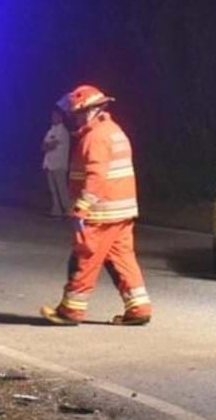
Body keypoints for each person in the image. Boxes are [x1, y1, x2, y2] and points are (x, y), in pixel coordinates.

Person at [40, 84, 152, 326]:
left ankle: (70, 311)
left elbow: (96, 176)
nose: (75, 119)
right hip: (121, 210)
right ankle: (139, 307)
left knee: (84, 260)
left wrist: (81, 208)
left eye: (77, 114)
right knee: (122, 259)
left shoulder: (95, 137)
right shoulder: (113, 130)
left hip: (101, 212)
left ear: (91, 111)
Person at [42, 108, 71, 216]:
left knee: (61, 189)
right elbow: (44, 146)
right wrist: (48, 146)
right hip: (49, 164)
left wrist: (48, 145)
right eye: (52, 116)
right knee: (53, 190)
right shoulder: (51, 130)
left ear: (60, 117)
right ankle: (56, 210)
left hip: (59, 164)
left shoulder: (63, 131)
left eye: (55, 116)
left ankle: (67, 210)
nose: (53, 118)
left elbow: (51, 145)